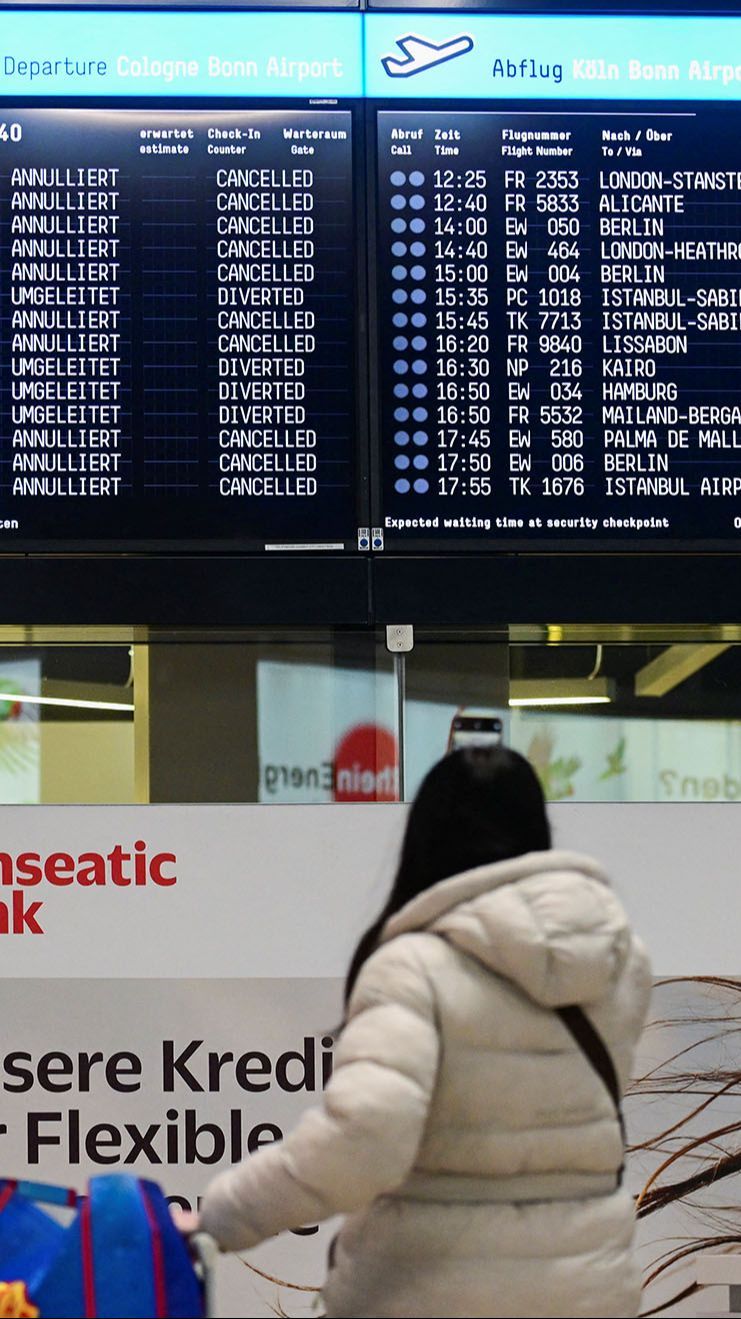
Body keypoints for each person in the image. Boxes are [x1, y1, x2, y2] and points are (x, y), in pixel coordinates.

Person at [196, 746, 652, 1318]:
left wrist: (220, 1217)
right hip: (590, 1294)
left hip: (431, 1294)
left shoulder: (411, 966)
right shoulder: (620, 961)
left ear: (425, 838)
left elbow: (361, 1143)